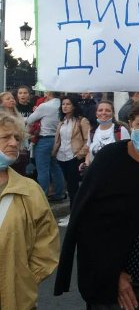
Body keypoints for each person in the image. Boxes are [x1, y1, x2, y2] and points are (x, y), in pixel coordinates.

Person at [55, 96, 139, 309]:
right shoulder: (110, 159)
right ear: (131, 124)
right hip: (112, 289)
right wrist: (111, 273)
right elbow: (87, 224)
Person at [0, 111, 60, 310]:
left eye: (17, 138)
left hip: (17, 300)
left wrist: (25, 279)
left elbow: (47, 240)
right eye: (5, 137)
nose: (14, 143)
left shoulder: (30, 189)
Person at [53, 95, 91, 214]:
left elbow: (88, 140)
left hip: (73, 157)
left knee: (73, 187)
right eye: (63, 104)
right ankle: (74, 212)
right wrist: (54, 153)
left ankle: (74, 213)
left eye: (68, 104)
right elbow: (59, 140)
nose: (65, 106)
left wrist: (79, 155)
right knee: (70, 186)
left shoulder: (82, 121)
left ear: (74, 106)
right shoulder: (62, 122)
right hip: (61, 157)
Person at [25, 91, 64, 201]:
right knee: (55, 167)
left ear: (48, 93)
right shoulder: (62, 104)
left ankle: (42, 196)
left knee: (43, 169)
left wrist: (36, 111)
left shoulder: (45, 106)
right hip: (56, 139)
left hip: (44, 139)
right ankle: (59, 193)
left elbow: (30, 119)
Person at [86, 100, 131, 167]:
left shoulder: (121, 130)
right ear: (96, 114)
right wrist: (86, 164)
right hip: (96, 174)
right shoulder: (92, 131)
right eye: (100, 110)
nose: (104, 113)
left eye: (107, 110)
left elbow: (129, 154)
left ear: (113, 114)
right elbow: (89, 152)